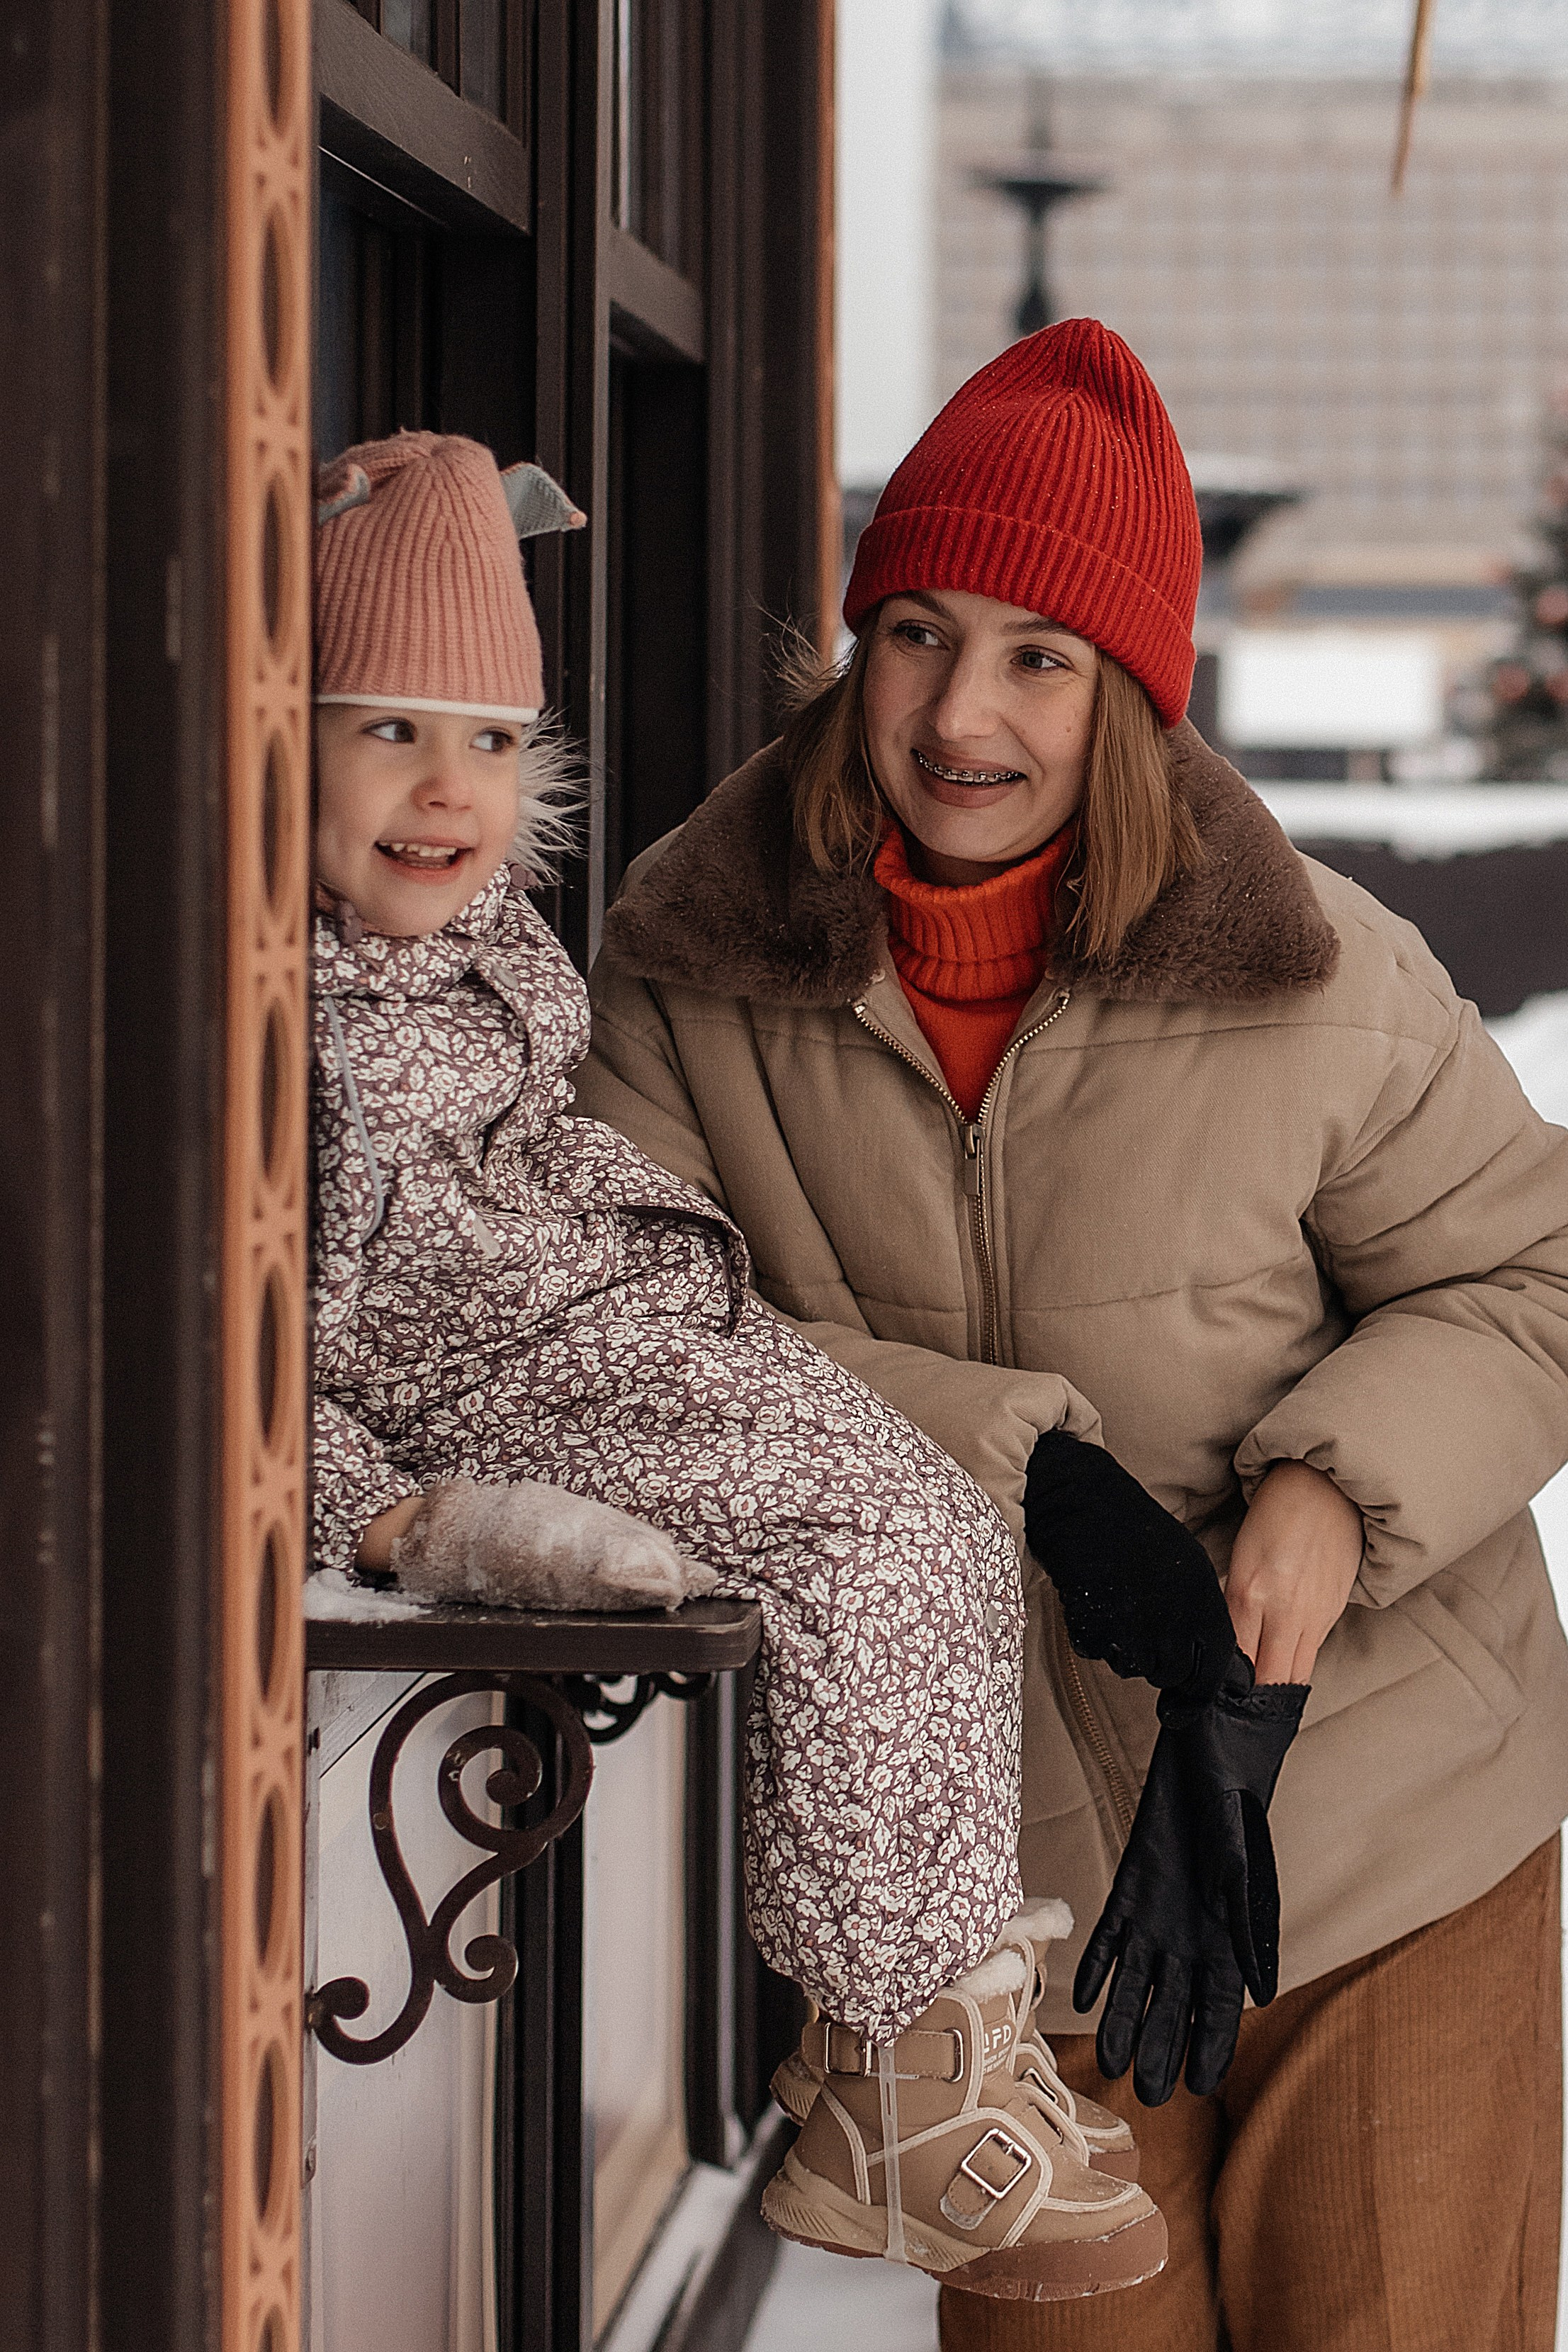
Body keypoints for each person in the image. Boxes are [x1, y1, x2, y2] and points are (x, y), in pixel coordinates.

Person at [577, 320, 1568, 2351]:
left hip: (1384, 1834)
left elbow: (1533, 1273)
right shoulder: (694, 962)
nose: (963, 715)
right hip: (987, 1913)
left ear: (1127, 691)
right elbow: (618, 1332)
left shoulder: (1311, 968)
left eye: (1041, 656)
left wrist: (1331, 1494)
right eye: (918, 635)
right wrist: (1022, 1465)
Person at [307, 427, 1170, 2302]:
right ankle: (905, 2077)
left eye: (492, 743)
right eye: (387, 731)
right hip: (506, 1374)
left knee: (935, 1522)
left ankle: (907, 2058)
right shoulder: (268, 1005)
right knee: (872, 1538)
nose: (447, 791)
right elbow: (220, 1323)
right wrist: (372, 1513)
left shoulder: (486, 941)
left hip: (616, 1326)